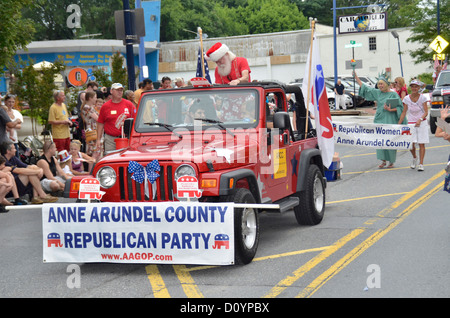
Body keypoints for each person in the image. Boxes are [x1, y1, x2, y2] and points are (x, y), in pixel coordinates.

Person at [354, 71, 407, 168]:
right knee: (380, 140)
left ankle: (391, 162)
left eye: (382, 84)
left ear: (387, 84)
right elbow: (366, 88)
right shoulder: (378, 93)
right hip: (379, 119)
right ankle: (383, 161)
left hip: (390, 119)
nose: (380, 86)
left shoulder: (394, 95)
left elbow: (400, 108)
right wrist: (356, 77)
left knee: (390, 140)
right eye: (379, 84)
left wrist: (391, 109)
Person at [96, 83, 137, 153]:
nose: (120, 92)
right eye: (117, 90)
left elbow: (135, 121)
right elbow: (100, 123)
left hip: (126, 138)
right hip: (110, 139)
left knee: (125, 159)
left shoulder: (129, 104)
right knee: (110, 160)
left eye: (121, 90)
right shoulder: (105, 106)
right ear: (111, 91)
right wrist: (98, 139)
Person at [399, 79, 429, 171]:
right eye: (412, 86)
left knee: (421, 143)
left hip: (421, 122)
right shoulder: (407, 98)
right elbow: (404, 112)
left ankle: (421, 163)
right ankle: (415, 157)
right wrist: (398, 124)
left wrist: (420, 119)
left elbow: (426, 112)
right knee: (411, 144)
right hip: (411, 123)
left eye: (416, 86)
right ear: (410, 88)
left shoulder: (423, 98)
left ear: (419, 88)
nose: (414, 88)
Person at [80, 91, 100, 158]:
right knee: (94, 153)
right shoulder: (87, 107)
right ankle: (92, 169)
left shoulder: (90, 107)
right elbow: (97, 118)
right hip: (92, 131)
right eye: (95, 97)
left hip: (93, 131)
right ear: (90, 98)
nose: (96, 99)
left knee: (96, 153)